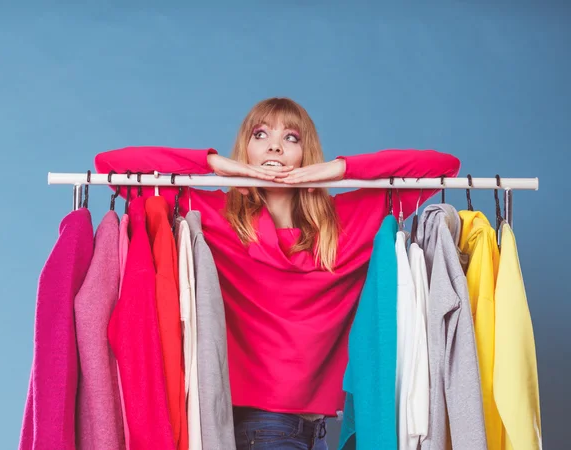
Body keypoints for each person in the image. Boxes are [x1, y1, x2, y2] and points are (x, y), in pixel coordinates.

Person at [95, 97, 460, 449]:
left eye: (290, 138)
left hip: (318, 429)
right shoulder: (217, 218)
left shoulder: (344, 225)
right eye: (260, 135)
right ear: (247, 149)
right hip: (254, 426)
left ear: (306, 153)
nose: (274, 148)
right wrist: (219, 165)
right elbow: (112, 167)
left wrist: (334, 168)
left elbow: (443, 167)